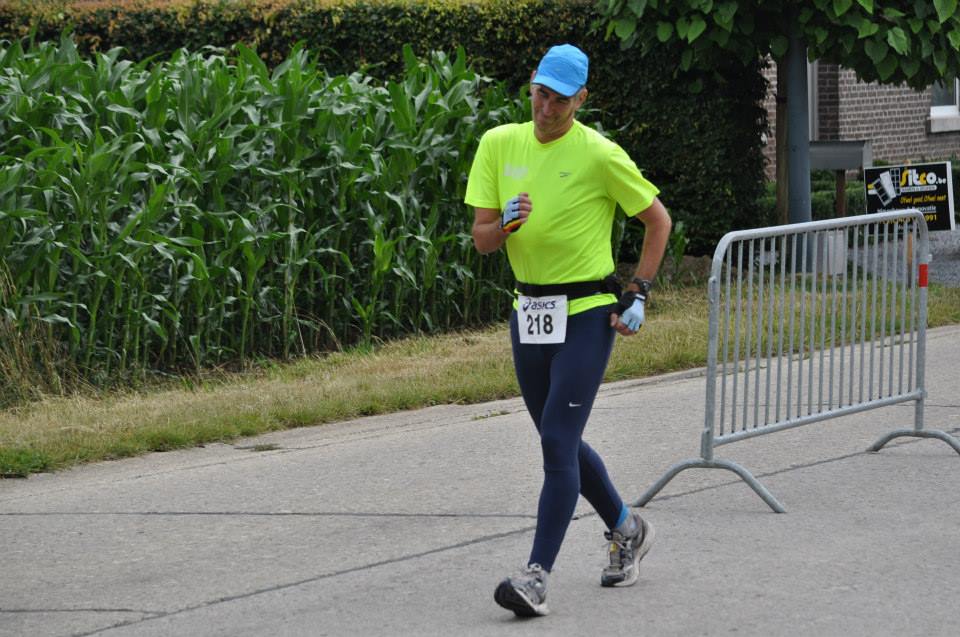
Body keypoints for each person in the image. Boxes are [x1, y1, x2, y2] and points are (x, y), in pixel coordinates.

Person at [464, 43, 672, 617]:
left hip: (587, 310)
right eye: (539, 94)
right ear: (531, 86)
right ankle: (627, 529)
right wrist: (506, 224)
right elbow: (482, 239)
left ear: (581, 99)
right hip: (529, 310)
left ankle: (536, 576)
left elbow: (657, 221)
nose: (546, 107)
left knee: (557, 438)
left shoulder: (600, 154)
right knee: (560, 440)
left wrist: (638, 291)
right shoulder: (498, 143)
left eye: (559, 99)